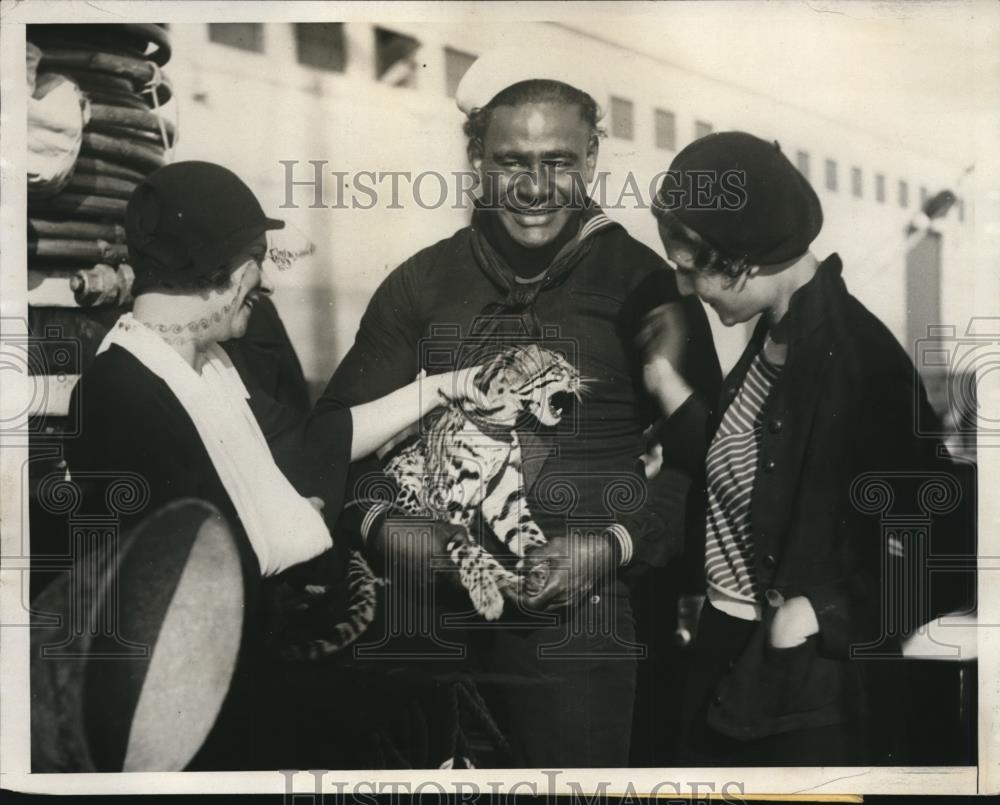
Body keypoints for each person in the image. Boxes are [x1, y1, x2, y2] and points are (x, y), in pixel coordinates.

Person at [314, 48, 721, 767]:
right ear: (475, 157)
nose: (536, 187)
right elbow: (330, 442)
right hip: (432, 632)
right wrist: (386, 528)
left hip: (583, 640)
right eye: (511, 161)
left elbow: (702, 458)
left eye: (560, 160)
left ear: (593, 156)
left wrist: (612, 547)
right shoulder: (422, 283)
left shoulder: (645, 288)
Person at [62, 160, 479, 768]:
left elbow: (314, 443)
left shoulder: (209, 366)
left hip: (270, 653)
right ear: (220, 271)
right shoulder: (118, 392)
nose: (270, 283)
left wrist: (450, 385)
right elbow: (186, 580)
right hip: (225, 697)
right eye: (258, 257)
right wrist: (287, 522)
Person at [649, 131, 956, 765]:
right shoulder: (773, 338)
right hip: (732, 655)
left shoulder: (861, 359)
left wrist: (824, 614)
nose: (684, 289)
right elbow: (747, 469)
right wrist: (665, 382)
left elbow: (947, 537)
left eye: (689, 266)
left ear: (742, 256)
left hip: (803, 695)